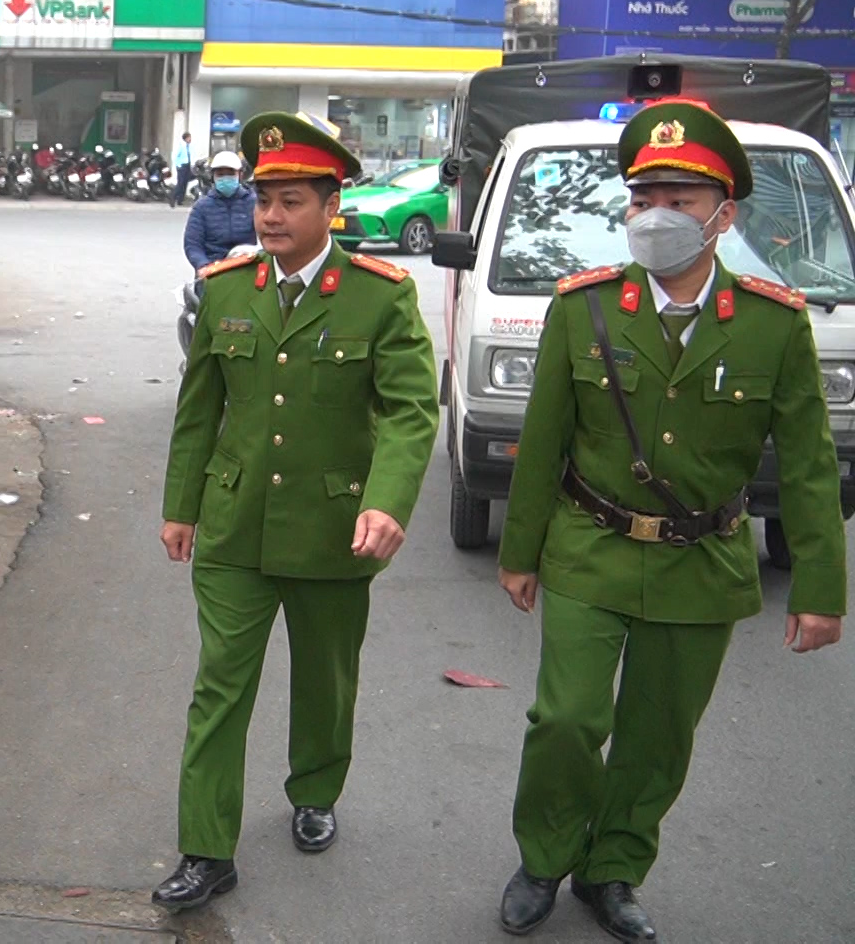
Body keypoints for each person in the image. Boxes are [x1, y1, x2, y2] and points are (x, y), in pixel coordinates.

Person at [494, 99, 845, 942]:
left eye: (681, 199)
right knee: (569, 720)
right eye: (644, 195)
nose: (658, 214)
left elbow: (806, 465)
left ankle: (612, 869)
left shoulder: (773, 324)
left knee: (658, 739)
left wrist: (822, 590)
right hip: (589, 545)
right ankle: (543, 856)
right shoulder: (583, 307)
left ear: (725, 214)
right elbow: (542, 443)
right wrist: (521, 552)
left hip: (702, 562)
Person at [154, 111, 439, 913]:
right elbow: (197, 409)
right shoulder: (225, 291)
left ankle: (315, 789)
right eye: (262, 199)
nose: (269, 216)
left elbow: (412, 410)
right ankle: (206, 849)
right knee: (220, 685)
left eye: (288, 201)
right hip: (235, 526)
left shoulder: (381, 298)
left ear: (331, 204)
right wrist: (181, 507)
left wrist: (386, 502)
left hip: (332, 530)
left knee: (326, 677)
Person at [183, 151, 256, 273]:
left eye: (230, 174)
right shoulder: (201, 207)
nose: (225, 178)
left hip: (248, 267)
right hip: (213, 268)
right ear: (213, 177)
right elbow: (192, 244)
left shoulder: (254, 203)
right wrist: (202, 265)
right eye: (220, 174)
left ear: (240, 175)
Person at [171, 132, 195, 207]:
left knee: (185, 183)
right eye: (189, 138)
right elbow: (174, 156)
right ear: (186, 138)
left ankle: (180, 200)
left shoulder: (189, 146)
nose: (190, 139)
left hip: (188, 165)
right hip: (182, 166)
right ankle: (172, 199)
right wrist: (178, 165)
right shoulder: (181, 145)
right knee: (180, 183)